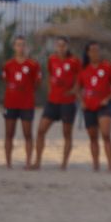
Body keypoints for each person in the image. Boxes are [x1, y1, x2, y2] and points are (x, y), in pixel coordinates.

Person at [33, 36, 82, 170]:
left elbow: (80, 78)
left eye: (63, 45)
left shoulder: (74, 61)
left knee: (67, 133)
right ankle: (37, 161)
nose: (61, 48)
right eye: (58, 45)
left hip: (68, 102)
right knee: (41, 130)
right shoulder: (52, 59)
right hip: (53, 101)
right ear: (55, 46)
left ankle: (64, 164)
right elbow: (50, 74)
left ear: (67, 47)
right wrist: (50, 90)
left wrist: (74, 90)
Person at [79, 42, 111, 172]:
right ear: (88, 53)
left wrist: (108, 98)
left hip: (104, 105)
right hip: (89, 105)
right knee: (93, 137)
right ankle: (95, 164)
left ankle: (110, 165)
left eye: (97, 50)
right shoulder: (84, 69)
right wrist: (82, 101)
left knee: (106, 134)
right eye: (92, 50)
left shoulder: (108, 66)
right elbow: (77, 88)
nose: (95, 53)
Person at [1, 36, 41, 169]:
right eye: (18, 45)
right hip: (10, 103)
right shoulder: (8, 65)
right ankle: (8, 163)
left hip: (27, 104)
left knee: (28, 134)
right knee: (9, 133)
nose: (20, 47)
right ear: (14, 47)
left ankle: (28, 162)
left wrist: (26, 91)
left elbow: (37, 83)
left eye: (23, 45)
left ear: (26, 47)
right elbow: (6, 81)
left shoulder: (33, 64)